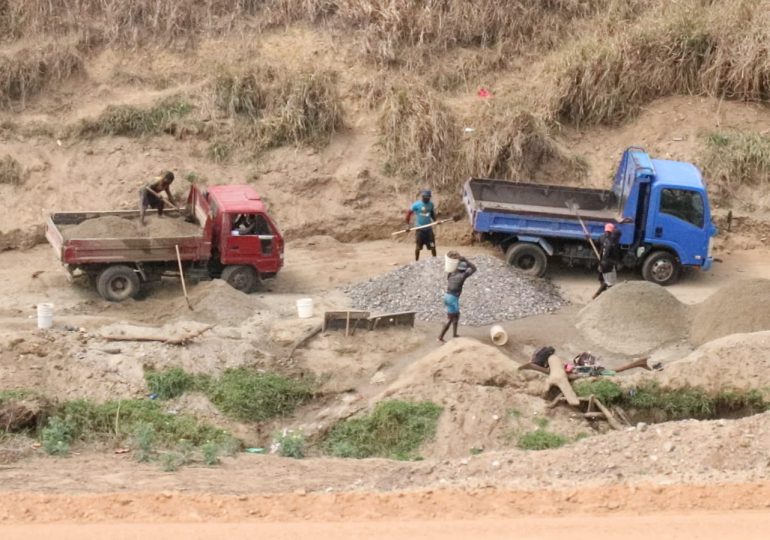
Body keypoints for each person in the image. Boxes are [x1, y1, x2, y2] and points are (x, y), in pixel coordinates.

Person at [438, 255, 477, 342]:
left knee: (456, 315)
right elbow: (474, 268)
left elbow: (452, 269)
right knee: (450, 319)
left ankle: (454, 334)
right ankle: (440, 337)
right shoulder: (463, 275)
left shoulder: (451, 274)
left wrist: (457, 262)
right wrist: (466, 260)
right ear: (464, 269)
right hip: (452, 298)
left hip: (447, 296)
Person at [592, 222, 621, 299]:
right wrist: (617, 263)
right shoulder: (613, 242)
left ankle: (602, 294)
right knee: (609, 282)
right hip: (607, 264)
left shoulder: (601, 237)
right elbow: (613, 255)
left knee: (602, 279)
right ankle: (597, 295)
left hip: (601, 261)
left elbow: (596, 244)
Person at [406, 189, 437, 261]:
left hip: (429, 230)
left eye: (428, 197)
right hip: (419, 230)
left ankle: (435, 260)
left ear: (429, 197)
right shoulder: (416, 204)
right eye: (425, 197)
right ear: (422, 197)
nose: (426, 199)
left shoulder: (431, 204)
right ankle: (416, 261)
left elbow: (432, 213)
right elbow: (408, 214)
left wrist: (436, 221)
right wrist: (407, 225)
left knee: (432, 246)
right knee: (418, 248)